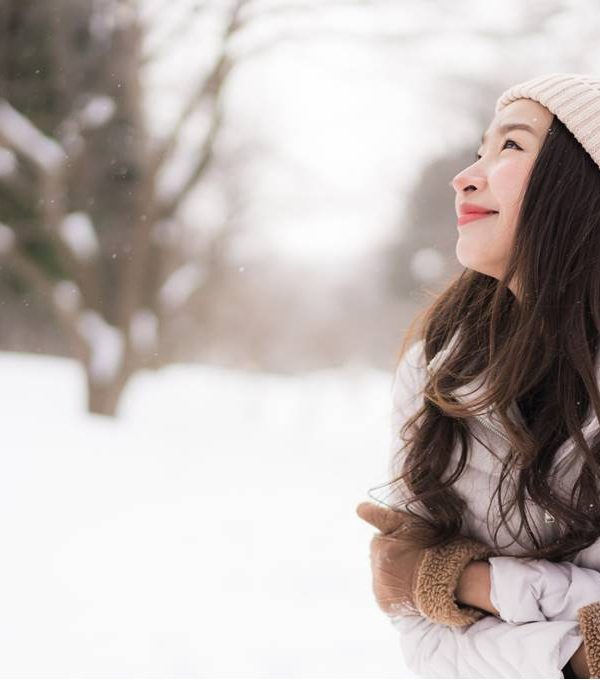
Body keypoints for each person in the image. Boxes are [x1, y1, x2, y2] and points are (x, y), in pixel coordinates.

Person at [356, 72, 600, 678]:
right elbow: (422, 635)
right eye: (479, 150)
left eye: (511, 147)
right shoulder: (441, 364)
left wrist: (467, 581)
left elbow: (421, 583)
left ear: (582, 186)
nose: (466, 176)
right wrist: (576, 651)